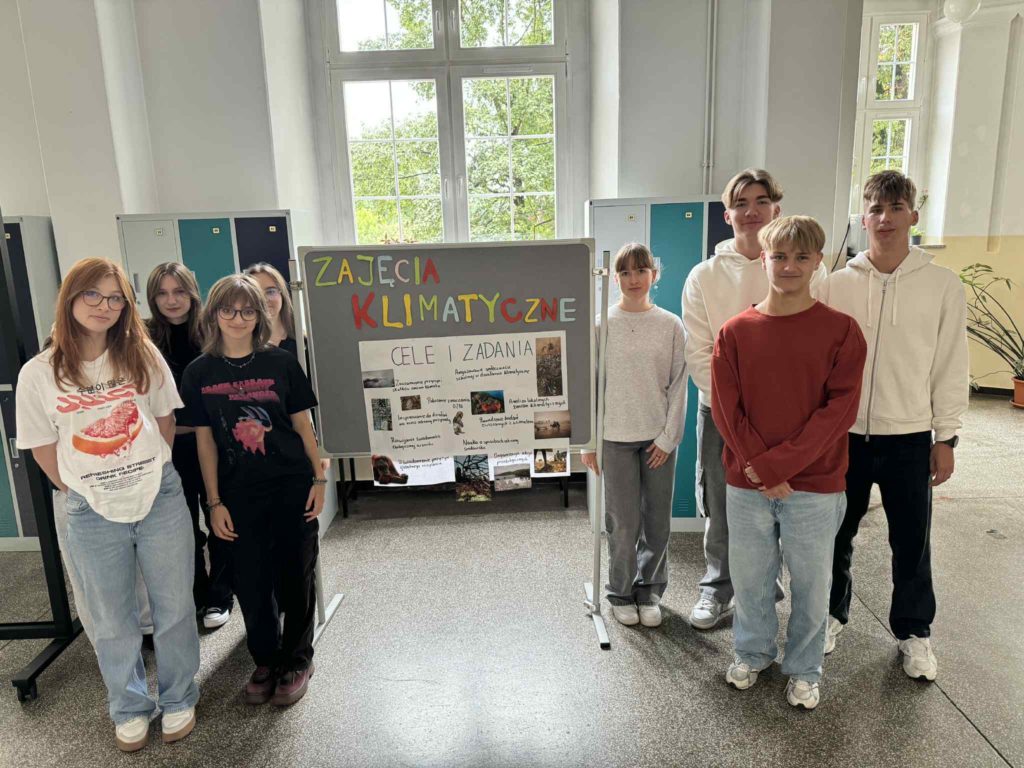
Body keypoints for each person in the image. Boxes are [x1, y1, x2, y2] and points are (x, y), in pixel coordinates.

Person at [15, 257, 200, 751]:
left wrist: (148, 470)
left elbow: (163, 420)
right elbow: (42, 446)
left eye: (116, 298)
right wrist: (79, 488)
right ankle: (130, 706)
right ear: (70, 297)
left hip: (159, 497)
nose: (105, 306)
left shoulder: (141, 354)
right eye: (93, 294)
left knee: (174, 605)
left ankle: (179, 697)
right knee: (111, 616)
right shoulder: (38, 374)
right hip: (90, 508)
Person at [712, 216, 866, 710]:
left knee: (813, 585)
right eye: (779, 256)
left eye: (801, 257)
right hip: (747, 484)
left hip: (815, 485)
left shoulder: (841, 331)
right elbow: (726, 411)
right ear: (764, 260)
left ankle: (804, 668)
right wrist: (760, 467)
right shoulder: (735, 332)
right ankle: (751, 652)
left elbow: (839, 411)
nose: (790, 266)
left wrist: (775, 467)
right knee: (751, 579)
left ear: (818, 261)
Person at [823, 170, 969, 680]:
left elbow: (951, 364)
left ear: (913, 215)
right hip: (845, 437)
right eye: (876, 209)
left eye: (896, 208)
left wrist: (946, 436)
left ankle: (914, 632)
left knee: (911, 541)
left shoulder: (942, 285)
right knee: (834, 535)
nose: (885, 218)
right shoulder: (836, 285)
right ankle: (829, 615)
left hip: (909, 436)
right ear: (863, 218)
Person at [682, 168, 828, 630]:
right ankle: (718, 587)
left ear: (776, 209)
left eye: (761, 201)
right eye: (741, 203)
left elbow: (815, 338)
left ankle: (768, 583)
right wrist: (734, 412)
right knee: (721, 501)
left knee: (784, 501)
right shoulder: (704, 276)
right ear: (727, 215)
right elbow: (698, 351)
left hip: (787, 415)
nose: (751, 211)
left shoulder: (806, 271)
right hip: (721, 414)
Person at [181, 274, 325, 706]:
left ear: (259, 315)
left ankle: (297, 659)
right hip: (237, 493)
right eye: (228, 309)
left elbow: (303, 425)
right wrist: (213, 502)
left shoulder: (281, 363)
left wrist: (319, 479)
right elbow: (205, 442)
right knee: (251, 580)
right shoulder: (198, 372)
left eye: (247, 310)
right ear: (213, 314)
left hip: (291, 483)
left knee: (296, 574)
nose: (237, 318)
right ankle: (266, 659)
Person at [582, 243, 688, 628]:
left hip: (657, 439)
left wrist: (668, 438)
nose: (633, 279)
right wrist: (589, 442)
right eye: (625, 272)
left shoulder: (671, 325)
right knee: (623, 523)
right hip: (615, 437)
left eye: (641, 271)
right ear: (615, 278)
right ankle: (621, 591)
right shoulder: (601, 325)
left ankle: (650, 591)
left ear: (653, 275)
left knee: (657, 521)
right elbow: (591, 385)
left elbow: (679, 385)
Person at [146, 262, 234, 630]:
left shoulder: (212, 331)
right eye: (163, 293)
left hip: (213, 443)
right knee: (182, 528)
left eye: (179, 291)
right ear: (152, 298)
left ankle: (221, 595)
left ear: (193, 292)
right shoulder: (143, 337)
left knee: (221, 517)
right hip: (171, 446)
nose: (172, 300)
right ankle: (196, 593)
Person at [243, 262, 297, 356]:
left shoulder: (304, 342)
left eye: (270, 291)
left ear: (282, 294)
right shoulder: (239, 346)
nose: (264, 299)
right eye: (256, 293)